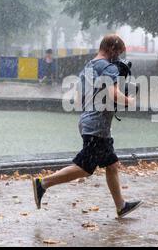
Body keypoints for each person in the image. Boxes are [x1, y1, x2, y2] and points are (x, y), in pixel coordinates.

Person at [32, 35, 143, 218]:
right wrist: (129, 100)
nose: (119, 58)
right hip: (97, 126)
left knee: (112, 165)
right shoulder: (108, 67)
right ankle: (42, 184)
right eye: (118, 53)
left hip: (90, 122)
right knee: (84, 168)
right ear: (110, 49)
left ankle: (121, 206)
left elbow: (79, 99)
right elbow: (113, 94)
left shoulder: (89, 67)